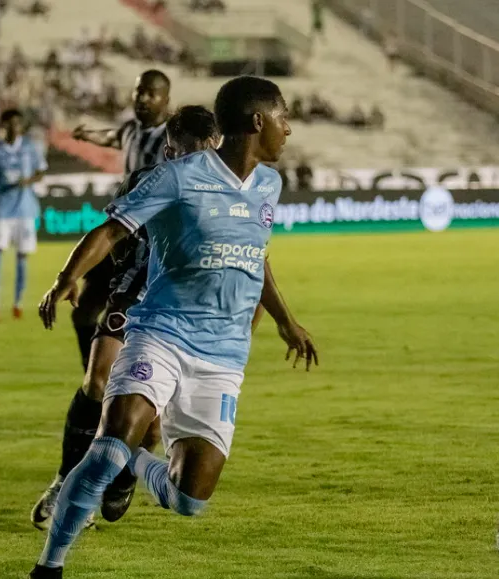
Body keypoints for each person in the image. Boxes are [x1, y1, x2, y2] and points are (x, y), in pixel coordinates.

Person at [28, 76, 317, 579]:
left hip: (223, 357)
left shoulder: (270, 185)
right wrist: (64, 279)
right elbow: (111, 230)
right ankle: (48, 566)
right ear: (257, 122)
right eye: (283, 117)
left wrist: (286, 322)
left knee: (189, 501)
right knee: (108, 443)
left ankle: (136, 464)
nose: (288, 130)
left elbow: (255, 255)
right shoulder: (178, 176)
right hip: (160, 333)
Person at [30, 105, 219, 531]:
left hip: (183, 312)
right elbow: (112, 234)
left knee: (149, 423)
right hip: (135, 295)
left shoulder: (228, 190)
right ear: (172, 148)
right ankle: (65, 480)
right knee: (97, 382)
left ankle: (123, 473)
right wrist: (72, 278)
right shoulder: (145, 181)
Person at [69, 69, 170, 372]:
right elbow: (111, 137)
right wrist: (87, 135)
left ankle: (128, 385)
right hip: (121, 234)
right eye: (140, 91)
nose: (143, 99)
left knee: (137, 324)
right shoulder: (130, 130)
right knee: (83, 313)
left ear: (166, 99)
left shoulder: (175, 137)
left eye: (152, 94)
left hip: (151, 244)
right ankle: (96, 385)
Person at [0, 109, 48, 322]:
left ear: (21, 126)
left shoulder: (30, 147)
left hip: (25, 210)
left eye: (17, 123)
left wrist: (28, 181)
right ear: (2, 125)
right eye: (9, 123)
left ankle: (17, 304)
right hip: (1, 211)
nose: (13, 127)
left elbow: (41, 172)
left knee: (22, 258)